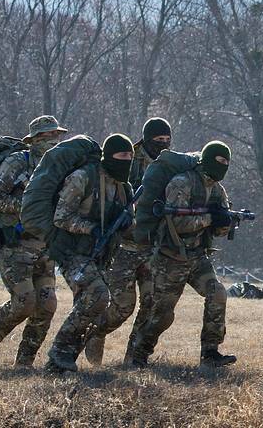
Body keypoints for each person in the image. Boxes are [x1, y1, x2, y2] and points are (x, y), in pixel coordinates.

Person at [128, 141, 237, 369]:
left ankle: (210, 352)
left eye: (227, 162)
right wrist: (209, 219)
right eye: (219, 161)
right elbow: (176, 223)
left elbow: (217, 229)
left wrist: (225, 223)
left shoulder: (217, 190)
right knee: (162, 315)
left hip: (197, 257)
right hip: (170, 257)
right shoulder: (182, 182)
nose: (222, 166)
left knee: (217, 294)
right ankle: (138, 355)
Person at [82, 117, 171, 366]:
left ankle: (134, 357)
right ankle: (95, 333)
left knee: (152, 304)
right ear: (147, 139)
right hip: (124, 246)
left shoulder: (169, 163)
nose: (163, 144)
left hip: (153, 247)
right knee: (123, 306)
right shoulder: (128, 159)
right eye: (158, 139)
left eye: (167, 139)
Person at [0, 116, 66, 369]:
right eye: (49, 137)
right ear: (35, 140)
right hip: (16, 245)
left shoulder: (58, 166)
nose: (54, 141)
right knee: (24, 302)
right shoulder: (18, 162)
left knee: (47, 304)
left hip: (45, 245)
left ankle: (24, 363)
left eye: (57, 136)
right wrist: (28, 208)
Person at [45, 133, 135, 373]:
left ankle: (67, 360)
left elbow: (129, 222)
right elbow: (61, 217)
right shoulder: (83, 178)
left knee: (91, 305)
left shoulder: (124, 187)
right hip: (71, 251)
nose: (127, 160)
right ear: (109, 156)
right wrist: (91, 227)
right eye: (122, 155)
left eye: (130, 156)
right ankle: (58, 353)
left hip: (100, 255)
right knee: (97, 295)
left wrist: (127, 224)